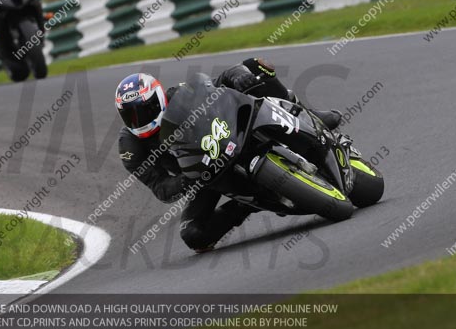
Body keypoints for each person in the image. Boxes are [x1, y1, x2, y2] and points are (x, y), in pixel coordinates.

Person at [115, 58, 342, 253]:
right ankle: (249, 204)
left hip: (230, 134)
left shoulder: (179, 95)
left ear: (158, 98)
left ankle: (308, 115)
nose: (139, 120)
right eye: (130, 116)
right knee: (194, 235)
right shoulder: (130, 148)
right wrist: (187, 179)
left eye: (144, 110)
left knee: (254, 65)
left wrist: (239, 76)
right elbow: (160, 188)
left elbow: (219, 80)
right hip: (201, 175)